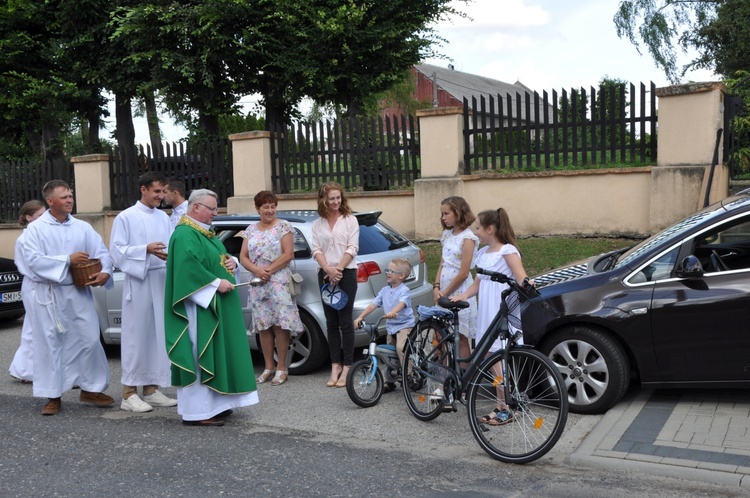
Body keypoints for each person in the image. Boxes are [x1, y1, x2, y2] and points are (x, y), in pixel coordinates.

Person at [164, 189, 258, 426]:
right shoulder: (185, 234)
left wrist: (232, 262)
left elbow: (218, 258)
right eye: (212, 209)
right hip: (198, 310)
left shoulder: (205, 233)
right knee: (199, 354)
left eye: (216, 209)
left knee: (218, 352)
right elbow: (187, 271)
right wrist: (215, 283)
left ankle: (216, 405)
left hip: (215, 305)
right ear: (196, 207)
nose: (215, 213)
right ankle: (197, 412)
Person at [22, 180, 115, 415]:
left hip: (77, 291)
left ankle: (91, 388)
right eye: (64, 197)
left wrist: (105, 272)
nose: (70, 200)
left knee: (90, 338)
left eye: (71, 195)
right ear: (50, 201)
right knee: (51, 344)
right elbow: (32, 260)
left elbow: (101, 252)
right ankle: (52, 395)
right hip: (48, 294)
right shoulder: (36, 229)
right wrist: (66, 260)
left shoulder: (82, 227)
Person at [453, 207, 534, 426]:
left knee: (497, 359)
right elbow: (478, 284)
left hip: (502, 311)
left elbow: (521, 277)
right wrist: (462, 296)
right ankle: (501, 405)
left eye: (478, 228)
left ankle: (507, 407)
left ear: (490, 229)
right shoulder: (482, 253)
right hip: (486, 312)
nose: (475, 232)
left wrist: (529, 283)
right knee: (490, 358)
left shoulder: (507, 251)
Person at [109, 172, 177, 413]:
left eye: (163, 191)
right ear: (143, 190)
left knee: (157, 336)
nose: (161, 196)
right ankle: (128, 393)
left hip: (160, 279)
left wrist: (167, 256)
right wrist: (145, 250)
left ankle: (150, 389)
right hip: (139, 282)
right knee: (137, 337)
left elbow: (170, 245)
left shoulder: (163, 217)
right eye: (157, 191)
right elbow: (117, 252)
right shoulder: (126, 217)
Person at [239, 191, 303, 386]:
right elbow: (243, 256)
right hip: (258, 284)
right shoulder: (250, 230)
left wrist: (267, 270)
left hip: (278, 282)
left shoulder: (284, 226)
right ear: (257, 208)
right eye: (265, 206)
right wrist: (257, 271)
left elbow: (288, 254)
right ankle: (268, 367)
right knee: (263, 326)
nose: (270, 210)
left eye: (272, 206)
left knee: (280, 326)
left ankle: (282, 367)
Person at [311, 182, 359, 388]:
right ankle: (335, 365)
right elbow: (316, 250)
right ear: (323, 199)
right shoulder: (317, 224)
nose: (336, 201)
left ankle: (348, 365)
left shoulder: (350, 220)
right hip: (325, 274)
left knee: (345, 322)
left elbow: (353, 247)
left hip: (346, 273)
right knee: (331, 322)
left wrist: (338, 269)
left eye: (338, 197)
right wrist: (328, 270)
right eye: (332, 198)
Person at [354, 258, 415, 392]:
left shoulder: (404, 290)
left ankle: (409, 374)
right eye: (387, 270)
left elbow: (402, 303)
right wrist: (360, 317)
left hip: (404, 325)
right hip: (391, 327)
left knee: (400, 348)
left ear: (401, 275)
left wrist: (393, 312)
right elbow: (373, 305)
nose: (387, 272)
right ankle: (390, 380)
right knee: (388, 353)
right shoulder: (384, 291)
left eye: (391, 271)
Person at [433, 196, 478, 366]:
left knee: (461, 338)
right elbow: (442, 263)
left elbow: (464, 272)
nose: (443, 217)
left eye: (446, 213)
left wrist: (445, 292)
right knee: (440, 336)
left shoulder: (468, 238)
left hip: (459, 290)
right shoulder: (447, 234)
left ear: (458, 213)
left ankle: (463, 380)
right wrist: (436, 287)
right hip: (443, 289)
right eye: (442, 214)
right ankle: (444, 377)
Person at [8, 200, 46, 383]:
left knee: (35, 327)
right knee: (33, 327)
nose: (44, 218)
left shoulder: (42, 235)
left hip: (41, 284)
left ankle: (27, 368)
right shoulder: (24, 240)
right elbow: (29, 267)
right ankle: (25, 369)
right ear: (29, 218)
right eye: (40, 215)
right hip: (33, 286)